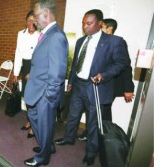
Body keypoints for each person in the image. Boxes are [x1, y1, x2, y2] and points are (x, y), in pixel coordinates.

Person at [54, 9, 130, 166]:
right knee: (73, 115)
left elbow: (122, 63)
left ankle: (90, 153)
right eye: (83, 23)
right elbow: (76, 63)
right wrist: (71, 81)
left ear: (100, 23)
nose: (85, 27)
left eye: (89, 23)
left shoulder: (114, 41)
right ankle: (69, 138)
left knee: (93, 123)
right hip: (78, 86)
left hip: (96, 88)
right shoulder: (82, 41)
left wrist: (105, 74)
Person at [23, 0, 68, 166]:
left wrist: (49, 96)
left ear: (46, 14)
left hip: (45, 93)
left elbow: (57, 71)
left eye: (35, 16)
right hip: (38, 88)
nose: (34, 20)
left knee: (45, 124)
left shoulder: (56, 35)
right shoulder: (47, 33)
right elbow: (44, 61)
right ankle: (47, 146)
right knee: (34, 118)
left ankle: (43, 158)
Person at [77, 18, 135, 142]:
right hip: (95, 84)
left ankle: (105, 140)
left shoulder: (117, 42)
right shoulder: (95, 41)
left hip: (110, 85)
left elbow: (126, 66)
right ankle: (90, 133)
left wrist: (128, 88)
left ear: (109, 28)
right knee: (91, 110)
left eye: (101, 27)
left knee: (104, 114)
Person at [13, 10, 40, 139]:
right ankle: (29, 120)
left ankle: (34, 126)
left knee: (34, 98)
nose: (31, 22)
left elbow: (42, 57)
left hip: (37, 67)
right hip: (25, 67)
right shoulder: (21, 34)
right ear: (26, 21)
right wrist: (16, 72)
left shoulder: (41, 35)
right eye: (29, 20)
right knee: (27, 97)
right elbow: (18, 53)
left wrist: (33, 71)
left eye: (34, 20)